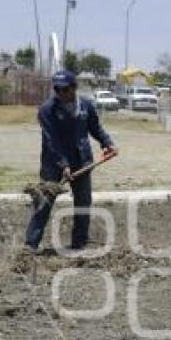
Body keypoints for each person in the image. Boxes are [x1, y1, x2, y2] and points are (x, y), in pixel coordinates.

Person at [24, 70, 116, 252]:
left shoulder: (86, 106)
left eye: (65, 89)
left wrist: (107, 143)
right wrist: (64, 164)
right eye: (57, 89)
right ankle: (31, 243)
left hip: (82, 161)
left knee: (83, 202)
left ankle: (79, 242)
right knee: (43, 202)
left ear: (74, 88)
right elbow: (52, 140)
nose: (61, 93)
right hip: (53, 163)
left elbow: (95, 128)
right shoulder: (46, 110)